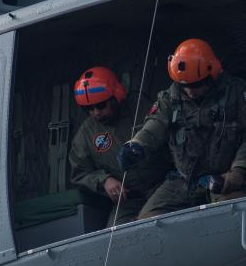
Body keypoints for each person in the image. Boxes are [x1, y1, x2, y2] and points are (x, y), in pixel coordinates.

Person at [118, 39, 246, 218]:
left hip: (224, 179)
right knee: (146, 222)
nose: (191, 91)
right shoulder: (169, 98)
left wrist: (239, 172)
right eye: (185, 86)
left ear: (212, 74)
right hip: (182, 181)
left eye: (196, 85)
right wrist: (137, 144)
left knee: (233, 215)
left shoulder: (237, 92)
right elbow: (155, 124)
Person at [69, 66, 171, 225]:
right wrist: (104, 180)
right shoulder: (86, 134)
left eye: (101, 106)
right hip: (129, 199)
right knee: (115, 233)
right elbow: (79, 172)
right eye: (89, 108)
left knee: (153, 219)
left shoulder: (141, 107)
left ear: (115, 97)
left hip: (163, 184)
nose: (96, 112)